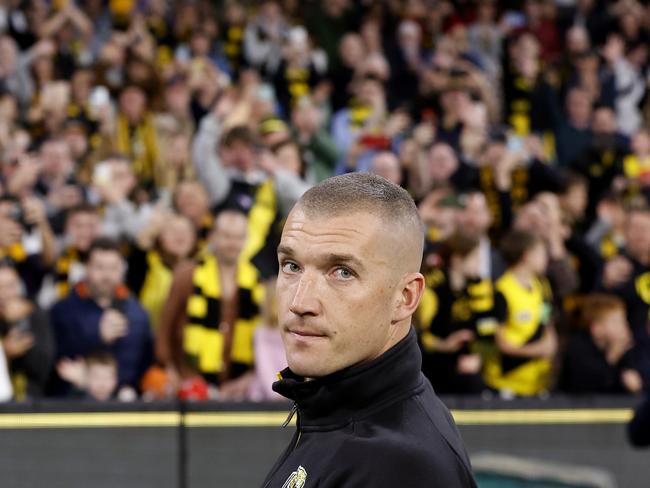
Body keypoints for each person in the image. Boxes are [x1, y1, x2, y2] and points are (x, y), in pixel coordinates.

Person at [262, 173, 476, 487]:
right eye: (292, 266)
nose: (299, 302)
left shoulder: (399, 468)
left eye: (342, 272)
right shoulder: (331, 410)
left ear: (405, 297)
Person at [50, 238, 153, 396]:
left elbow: (146, 362)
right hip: (75, 406)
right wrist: (97, 337)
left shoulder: (137, 313)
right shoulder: (63, 310)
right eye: (99, 267)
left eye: (113, 268)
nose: (107, 275)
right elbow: (53, 362)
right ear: (86, 267)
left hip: (126, 407)